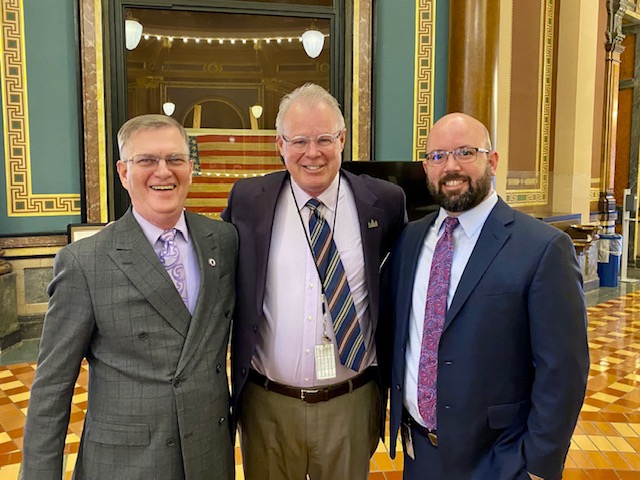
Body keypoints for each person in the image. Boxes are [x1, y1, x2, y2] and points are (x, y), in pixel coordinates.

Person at [23, 114, 238, 480]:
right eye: (147, 161)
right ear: (123, 172)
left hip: (208, 454)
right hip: (128, 462)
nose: (163, 172)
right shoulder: (85, 262)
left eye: (175, 159)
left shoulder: (224, 240)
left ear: (190, 167)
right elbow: (53, 386)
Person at [387, 112, 590, 480]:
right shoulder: (410, 240)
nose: (451, 167)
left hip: (501, 460)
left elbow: (563, 370)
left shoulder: (543, 248)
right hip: (420, 456)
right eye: (438, 156)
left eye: (466, 152)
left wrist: (539, 464)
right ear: (426, 167)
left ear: (492, 160)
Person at [221, 83, 407, 479]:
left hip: (351, 401)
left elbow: (400, 285)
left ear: (342, 139)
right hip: (267, 402)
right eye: (299, 140)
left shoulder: (385, 202)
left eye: (324, 139)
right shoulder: (248, 200)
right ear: (280, 145)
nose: (312, 152)